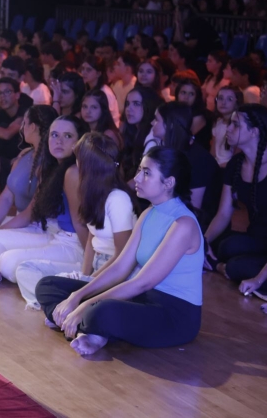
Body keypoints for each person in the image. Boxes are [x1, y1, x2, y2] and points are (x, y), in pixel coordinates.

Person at [37, 147, 204, 356]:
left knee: (101, 311)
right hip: (141, 299)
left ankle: (82, 325)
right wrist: (76, 296)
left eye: (146, 173)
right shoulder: (148, 214)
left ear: (169, 182)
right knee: (47, 286)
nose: (137, 178)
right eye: (139, 170)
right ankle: (87, 328)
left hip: (173, 315)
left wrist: (84, 305)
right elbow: (120, 267)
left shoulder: (184, 224)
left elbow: (142, 283)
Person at [0, 115, 89, 289]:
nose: (59, 141)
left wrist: (90, 266)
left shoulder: (73, 172)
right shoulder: (51, 168)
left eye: (68, 136)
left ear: (78, 141)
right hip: (56, 236)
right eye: (54, 135)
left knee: (8, 262)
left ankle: (71, 274)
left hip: (74, 244)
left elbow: (81, 224)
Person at [15, 132, 137, 309]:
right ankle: (59, 306)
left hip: (112, 272)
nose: (76, 164)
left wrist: (87, 284)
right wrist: (83, 276)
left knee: (58, 289)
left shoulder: (118, 198)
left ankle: (63, 307)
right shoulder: (92, 193)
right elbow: (91, 241)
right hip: (95, 267)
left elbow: (122, 256)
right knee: (25, 269)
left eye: (78, 159)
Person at [205, 104, 267, 282]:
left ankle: (230, 268)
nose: (229, 129)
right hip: (256, 236)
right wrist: (202, 242)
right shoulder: (235, 164)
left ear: (254, 132)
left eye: (236, 125)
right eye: (230, 123)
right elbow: (223, 214)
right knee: (225, 246)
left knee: (237, 266)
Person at [120, 87, 163, 181]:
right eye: (127, 104)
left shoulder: (153, 135)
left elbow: (140, 178)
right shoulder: (130, 131)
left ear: (148, 106)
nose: (129, 109)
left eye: (136, 104)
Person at [78, 54, 120, 126]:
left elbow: (108, 119)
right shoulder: (88, 88)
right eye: (83, 69)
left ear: (98, 73)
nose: (83, 72)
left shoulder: (105, 92)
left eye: (88, 70)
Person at [210, 85, 243, 166]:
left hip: (228, 167)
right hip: (216, 165)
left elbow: (237, 157)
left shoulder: (238, 126)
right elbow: (213, 152)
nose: (223, 103)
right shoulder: (218, 122)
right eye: (220, 98)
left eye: (229, 99)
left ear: (237, 103)